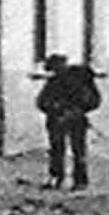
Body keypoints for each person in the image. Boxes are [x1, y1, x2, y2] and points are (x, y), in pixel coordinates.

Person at [35, 52, 101, 191]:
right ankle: (58, 178)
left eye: (57, 67)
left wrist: (77, 110)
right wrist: (55, 109)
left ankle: (79, 180)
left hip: (75, 120)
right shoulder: (53, 82)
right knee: (57, 150)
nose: (56, 70)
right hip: (57, 120)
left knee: (77, 150)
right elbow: (41, 102)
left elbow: (93, 100)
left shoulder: (81, 79)